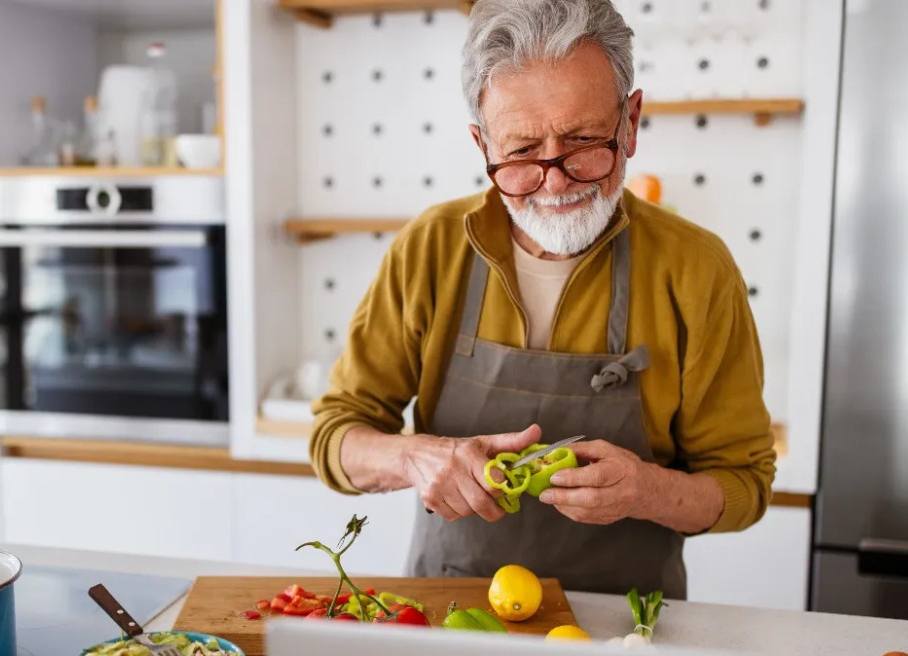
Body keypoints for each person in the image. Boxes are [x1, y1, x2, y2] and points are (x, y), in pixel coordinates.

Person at [308, 0, 776, 597]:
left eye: (583, 142)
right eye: (523, 152)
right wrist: (417, 459)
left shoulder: (696, 269)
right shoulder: (430, 248)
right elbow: (335, 438)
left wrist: (648, 491)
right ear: (482, 144)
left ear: (630, 122)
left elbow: (745, 484)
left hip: (624, 626)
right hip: (452, 616)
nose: (554, 182)